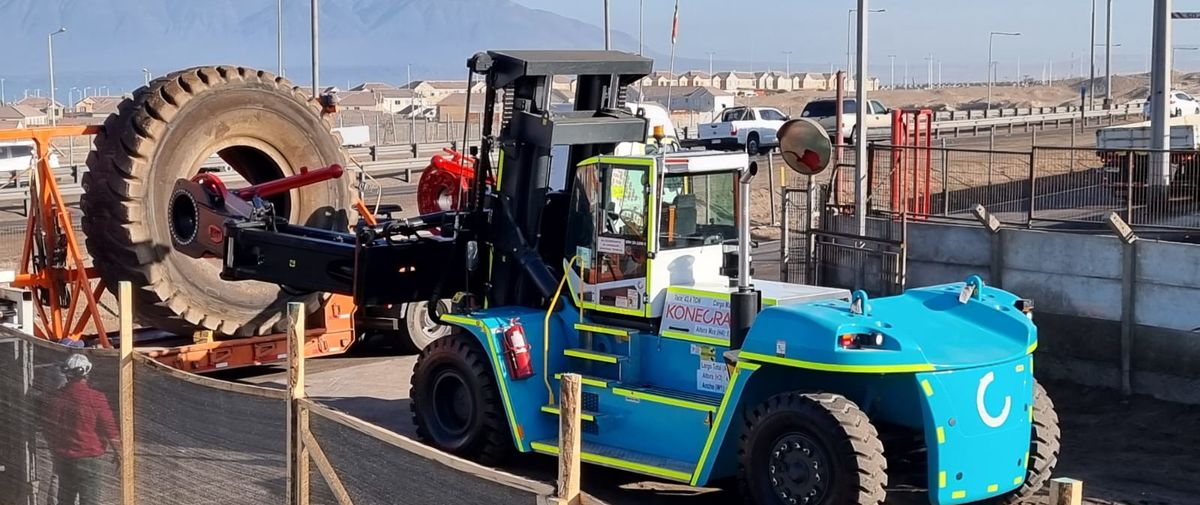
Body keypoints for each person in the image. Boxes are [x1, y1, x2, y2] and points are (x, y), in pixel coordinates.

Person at [42, 354, 118, 505]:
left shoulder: (55, 398)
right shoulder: (95, 398)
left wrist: (56, 450)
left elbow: (48, 427)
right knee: (89, 501)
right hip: (89, 458)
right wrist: (120, 453)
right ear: (87, 373)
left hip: (64, 458)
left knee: (65, 500)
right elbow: (109, 428)